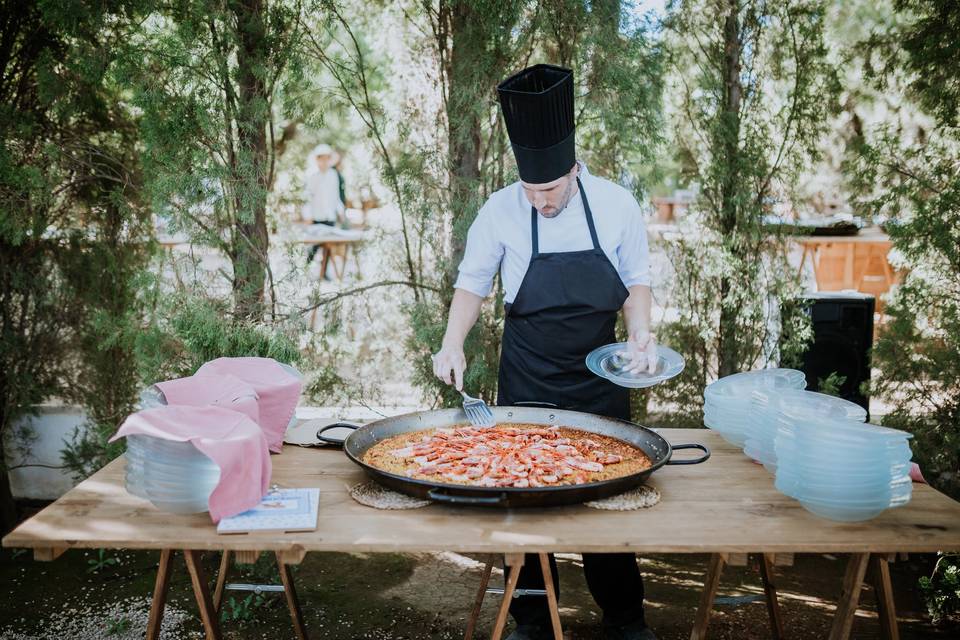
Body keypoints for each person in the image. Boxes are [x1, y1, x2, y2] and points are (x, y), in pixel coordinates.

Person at [431, 64, 658, 640]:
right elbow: (472, 283)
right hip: (528, 372)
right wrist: (451, 342)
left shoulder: (616, 206)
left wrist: (639, 334)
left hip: (599, 377)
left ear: (574, 172)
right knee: (525, 499)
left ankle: (625, 620)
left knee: (608, 495)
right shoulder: (501, 209)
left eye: (550, 190)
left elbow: (636, 283)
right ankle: (530, 619)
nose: (539, 201)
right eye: (530, 190)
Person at [303, 144, 347, 269]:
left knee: (328, 245)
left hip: (330, 215)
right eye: (322, 158)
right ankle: (306, 266)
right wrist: (308, 215)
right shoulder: (312, 175)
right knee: (315, 244)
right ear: (317, 159)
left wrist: (341, 211)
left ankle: (324, 271)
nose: (324, 161)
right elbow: (307, 197)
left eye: (327, 158)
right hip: (316, 215)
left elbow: (336, 196)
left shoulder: (334, 175)